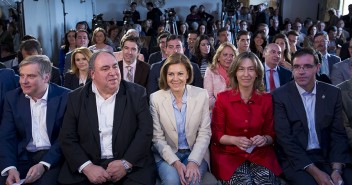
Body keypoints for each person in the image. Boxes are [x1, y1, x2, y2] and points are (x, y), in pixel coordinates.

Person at [58, 51, 156, 185]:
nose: (113, 72)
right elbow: (67, 137)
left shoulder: (137, 93)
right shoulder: (75, 98)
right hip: (89, 165)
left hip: (130, 166)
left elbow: (145, 132)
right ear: (92, 74)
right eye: (105, 68)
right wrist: (87, 167)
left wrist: (125, 163)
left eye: (115, 66)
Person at [272, 48, 352, 185]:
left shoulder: (333, 93)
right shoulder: (280, 96)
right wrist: (316, 173)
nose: (301, 71)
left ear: (318, 67)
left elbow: (338, 134)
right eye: (296, 67)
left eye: (307, 66)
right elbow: (285, 140)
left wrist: (337, 169)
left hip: (327, 156)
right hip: (296, 160)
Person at [211, 51, 282, 184]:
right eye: (241, 69)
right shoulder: (223, 98)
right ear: (235, 73)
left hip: (260, 154)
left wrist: (264, 139)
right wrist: (234, 140)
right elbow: (216, 134)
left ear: (257, 74)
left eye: (251, 69)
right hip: (230, 154)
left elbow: (271, 133)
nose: (246, 74)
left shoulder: (266, 99)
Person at [0, 55, 70, 185]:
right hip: (23, 157)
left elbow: (65, 137)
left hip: (54, 158)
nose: (24, 81)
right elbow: (6, 136)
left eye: (31, 76)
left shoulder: (66, 97)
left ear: (46, 77)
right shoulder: (12, 98)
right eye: (21, 76)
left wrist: (44, 164)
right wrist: (10, 168)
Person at [150, 53, 211, 185]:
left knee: (192, 180)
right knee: (172, 181)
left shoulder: (201, 95)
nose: (175, 78)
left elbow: (204, 133)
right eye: (171, 74)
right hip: (167, 155)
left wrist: (193, 161)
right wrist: (176, 163)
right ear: (165, 76)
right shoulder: (155, 98)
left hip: (195, 152)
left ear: (188, 74)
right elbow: (157, 138)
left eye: (180, 74)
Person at [204, 42, 236, 111]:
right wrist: (225, 107)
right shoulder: (210, 71)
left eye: (232, 55)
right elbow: (208, 99)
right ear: (218, 57)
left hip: (237, 111)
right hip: (217, 111)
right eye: (225, 55)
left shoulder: (239, 72)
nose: (229, 58)